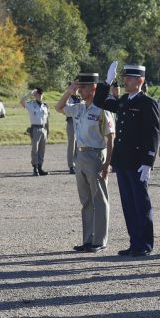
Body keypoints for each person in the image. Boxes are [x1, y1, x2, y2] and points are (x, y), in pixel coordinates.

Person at [94, 63, 159, 257]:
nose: (125, 81)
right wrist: (106, 82)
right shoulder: (123, 100)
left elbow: (152, 134)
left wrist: (148, 162)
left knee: (141, 204)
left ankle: (145, 244)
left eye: (129, 78)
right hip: (123, 161)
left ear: (140, 81)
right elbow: (100, 102)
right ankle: (134, 242)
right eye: (124, 78)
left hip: (138, 162)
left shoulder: (147, 103)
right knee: (128, 205)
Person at [56, 73, 116, 252]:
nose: (80, 90)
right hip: (80, 156)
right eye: (78, 86)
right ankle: (88, 239)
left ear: (93, 88)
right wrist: (69, 91)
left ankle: (99, 241)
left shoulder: (102, 109)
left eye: (83, 87)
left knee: (99, 199)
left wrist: (107, 164)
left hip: (96, 155)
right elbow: (59, 107)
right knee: (86, 201)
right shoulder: (78, 107)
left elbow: (111, 137)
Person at [21, 88, 50, 176]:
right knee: (35, 149)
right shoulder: (31, 105)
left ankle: (40, 167)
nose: (40, 95)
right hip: (35, 129)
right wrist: (30, 93)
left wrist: (48, 130)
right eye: (37, 94)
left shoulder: (45, 106)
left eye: (41, 94)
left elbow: (47, 119)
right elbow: (22, 101)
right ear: (35, 95)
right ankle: (35, 168)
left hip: (43, 129)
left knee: (42, 149)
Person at [64, 85, 79, 174]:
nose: (75, 90)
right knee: (72, 145)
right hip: (71, 123)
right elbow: (67, 110)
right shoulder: (68, 99)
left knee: (78, 144)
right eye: (73, 88)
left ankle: (77, 163)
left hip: (79, 123)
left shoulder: (80, 99)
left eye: (76, 88)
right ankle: (71, 165)